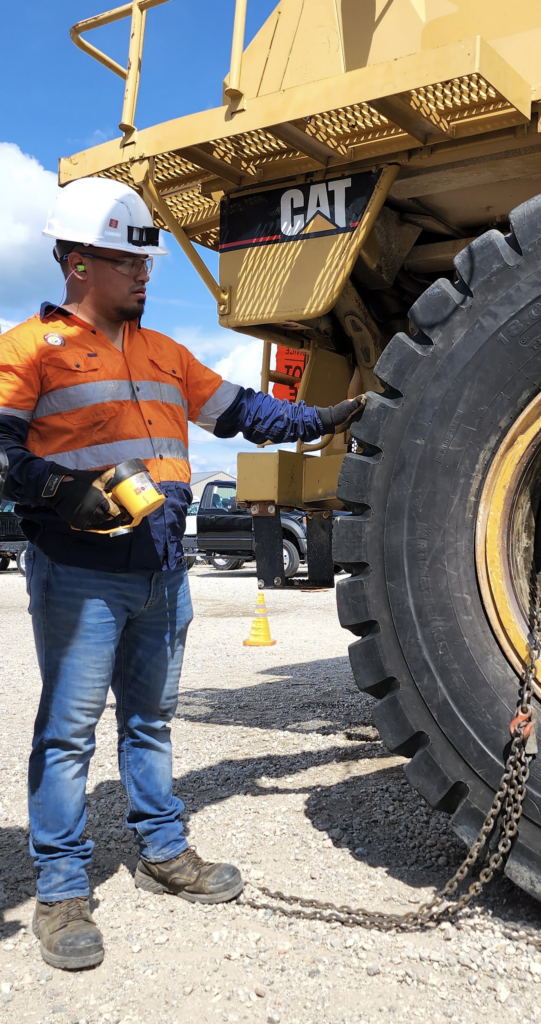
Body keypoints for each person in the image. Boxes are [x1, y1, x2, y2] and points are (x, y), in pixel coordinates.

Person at [0, 177, 364, 971]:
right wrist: (59, 490)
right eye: (127, 261)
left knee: (151, 721)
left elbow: (246, 413)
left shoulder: (166, 354)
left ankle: (163, 850)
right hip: (78, 571)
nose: (144, 274)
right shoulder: (27, 351)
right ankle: (61, 893)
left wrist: (328, 417)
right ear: (75, 264)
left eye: (146, 262)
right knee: (66, 735)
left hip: (163, 572)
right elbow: (3, 450)